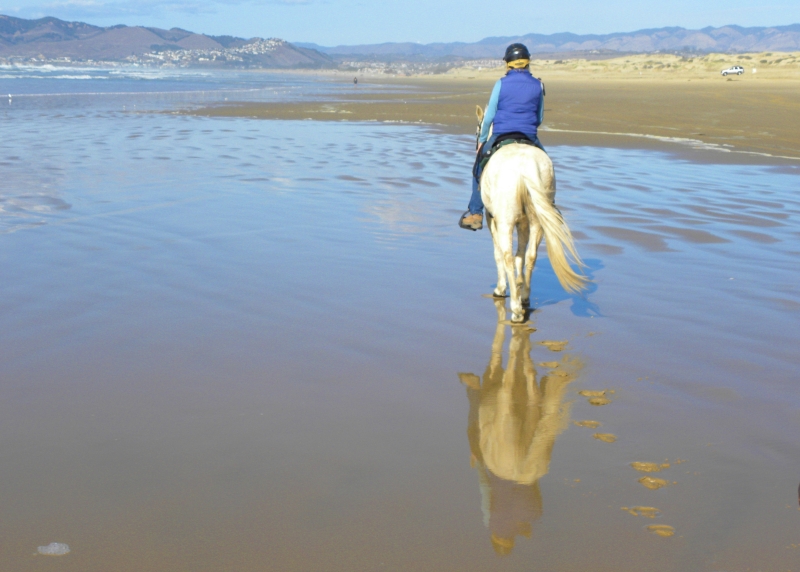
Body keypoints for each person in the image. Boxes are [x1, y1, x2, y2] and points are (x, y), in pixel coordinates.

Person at [459, 43, 546, 231]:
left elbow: (489, 116)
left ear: (508, 63)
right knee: (547, 166)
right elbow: (539, 117)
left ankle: (475, 213)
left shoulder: (501, 83)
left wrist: (482, 140)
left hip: (502, 134)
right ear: (527, 62)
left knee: (478, 169)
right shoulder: (538, 84)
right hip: (529, 135)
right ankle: (551, 207)